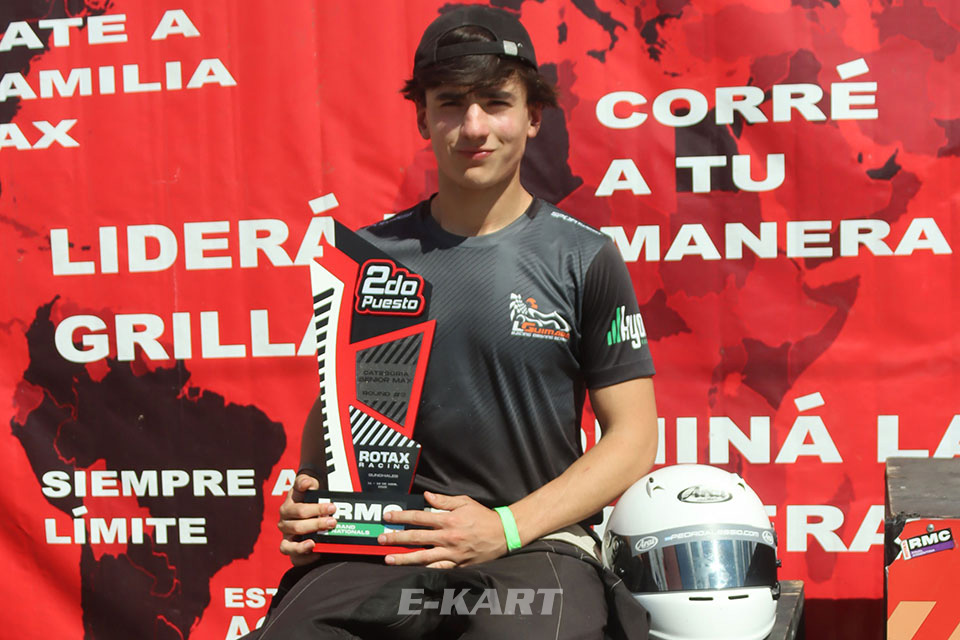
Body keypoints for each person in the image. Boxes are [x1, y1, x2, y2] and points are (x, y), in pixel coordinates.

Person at [252, 6, 658, 639]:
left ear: (533, 115)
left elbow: (633, 437)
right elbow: (339, 405)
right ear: (422, 117)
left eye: (495, 103)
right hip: (384, 543)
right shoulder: (370, 258)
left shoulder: (584, 257)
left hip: (532, 548)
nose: (474, 127)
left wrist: (505, 527)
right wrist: (311, 501)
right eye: (450, 104)